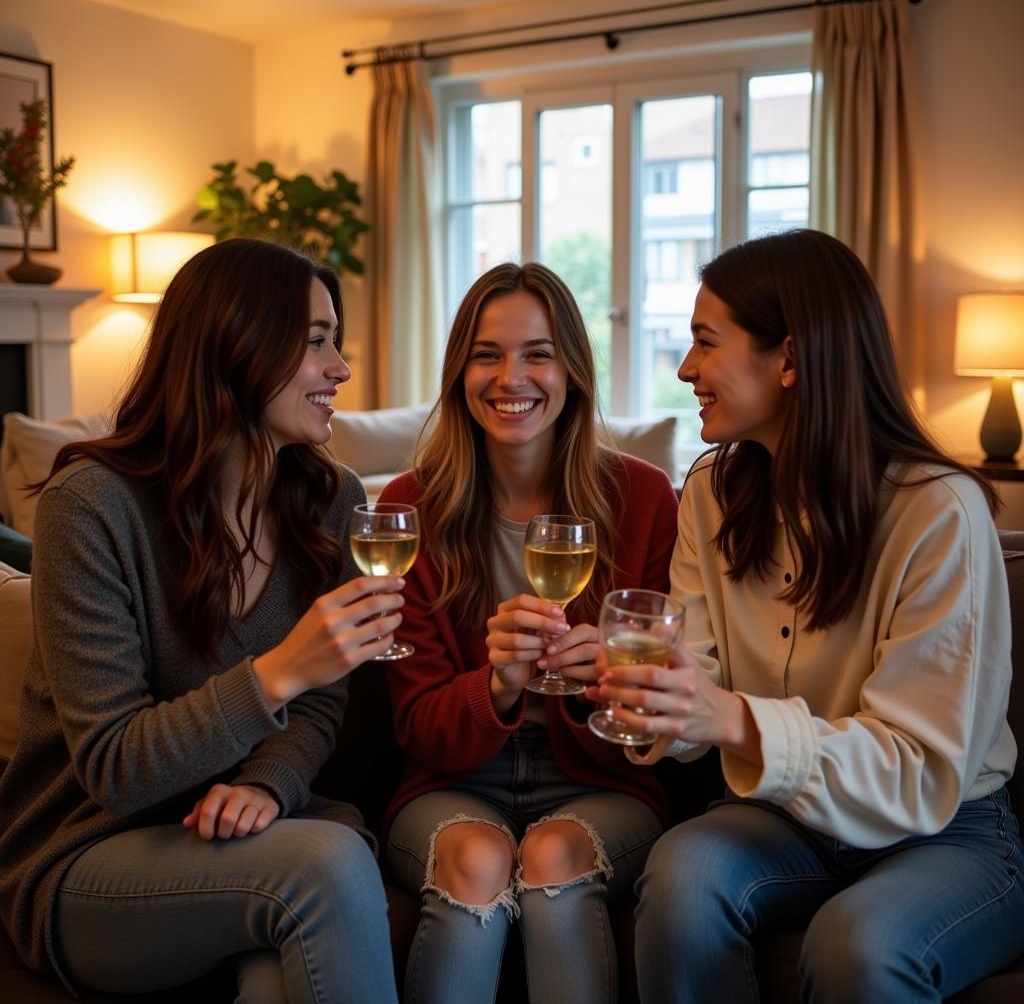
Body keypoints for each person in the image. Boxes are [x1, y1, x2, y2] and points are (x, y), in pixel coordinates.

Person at [589, 228, 1024, 1002]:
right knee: (682, 876)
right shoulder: (712, 494)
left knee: (858, 944)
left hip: (943, 828)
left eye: (704, 343)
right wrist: (652, 696)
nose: (686, 370)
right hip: (782, 817)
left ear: (788, 359)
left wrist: (730, 719)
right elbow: (699, 685)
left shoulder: (938, 514)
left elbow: (921, 770)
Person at [0, 238, 404, 1003]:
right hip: (93, 853)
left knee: (279, 976)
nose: (341, 370)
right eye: (317, 343)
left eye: (335, 343)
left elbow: (320, 705)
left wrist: (269, 784)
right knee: (329, 865)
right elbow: (117, 769)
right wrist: (282, 668)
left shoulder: (333, 499)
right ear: (238, 345)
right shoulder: (91, 507)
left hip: (254, 838)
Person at [378, 261, 679, 1003]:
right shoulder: (409, 506)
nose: (512, 377)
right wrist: (499, 684)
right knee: (476, 858)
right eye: (487, 354)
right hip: (454, 782)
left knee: (554, 853)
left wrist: (605, 676)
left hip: (598, 780)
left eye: (538, 353)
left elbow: (668, 705)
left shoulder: (643, 497)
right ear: (459, 372)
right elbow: (419, 730)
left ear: (572, 370)